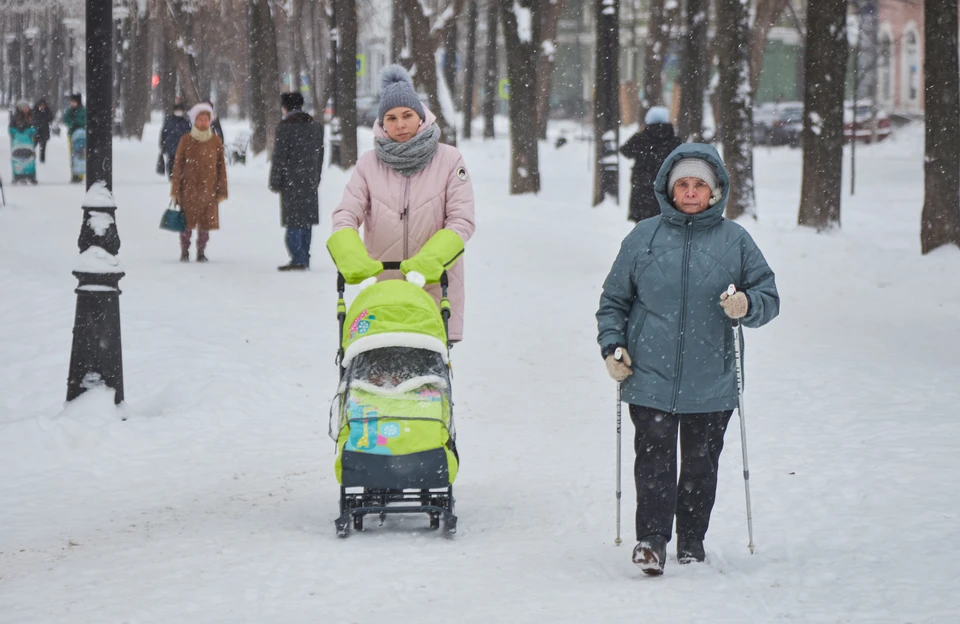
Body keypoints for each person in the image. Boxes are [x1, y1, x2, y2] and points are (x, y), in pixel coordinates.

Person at [596, 143, 780, 576]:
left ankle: (692, 541)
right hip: (649, 372)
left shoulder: (736, 241)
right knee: (654, 460)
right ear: (669, 188)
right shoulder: (644, 236)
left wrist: (747, 305)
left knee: (700, 463)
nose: (692, 192)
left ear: (715, 191)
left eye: (700, 184)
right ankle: (652, 541)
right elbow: (613, 301)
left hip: (711, 376)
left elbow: (769, 297)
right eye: (684, 184)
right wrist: (612, 346)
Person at [327, 64, 475, 342]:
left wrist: (431, 259)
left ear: (421, 117)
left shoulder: (449, 160)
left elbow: (461, 219)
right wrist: (350, 253)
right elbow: (346, 212)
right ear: (382, 123)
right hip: (383, 288)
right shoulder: (368, 165)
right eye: (391, 118)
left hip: (433, 283)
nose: (400, 124)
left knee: (428, 377)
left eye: (407, 115)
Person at [269, 92, 324, 271]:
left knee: (293, 221)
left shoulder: (285, 127)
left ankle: (297, 258)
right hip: (309, 180)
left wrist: (275, 181)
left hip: (290, 180)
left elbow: (279, 157)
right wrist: (316, 176)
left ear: (285, 107)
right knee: (306, 220)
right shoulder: (315, 126)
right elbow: (320, 154)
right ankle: (305, 257)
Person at [170, 103, 228, 263]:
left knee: (205, 223)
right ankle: (185, 249)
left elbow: (221, 166)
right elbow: (178, 166)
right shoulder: (186, 139)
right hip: (188, 189)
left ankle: (201, 250)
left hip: (209, 189)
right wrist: (175, 189)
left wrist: (221, 189)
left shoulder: (215, 141)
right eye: (200, 119)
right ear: (194, 120)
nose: (203, 123)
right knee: (187, 223)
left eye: (206, 119)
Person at [619, 106, 681, 223]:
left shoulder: (641, 138)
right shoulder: (674, 140)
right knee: (664, 225)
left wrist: (640, 132)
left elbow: (625, 150)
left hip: (642, 188)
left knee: (643, 225)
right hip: (666, 189)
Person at [159, 102, 191, 178]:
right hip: (171, 146)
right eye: (177, 110)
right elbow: (164, 133)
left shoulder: (186, 122)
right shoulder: (169, 121)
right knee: (171, 162)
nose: (179, 112)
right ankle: (172, 176)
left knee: (182, 162)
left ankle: (180, 176)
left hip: (182, 147)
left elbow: (188, 134)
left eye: (180, 110)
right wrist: (162, 144)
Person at [9, 102, 37, 184]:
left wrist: (31, 131)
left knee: (30, 157)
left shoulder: (31, 116)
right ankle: (17, 174)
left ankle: (30, 174)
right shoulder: (16, 117)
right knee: (18, 156)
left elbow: (34, 128)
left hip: (27, 142)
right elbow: (11, 128)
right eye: (25, 107)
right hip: (18, 142)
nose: (27, 109)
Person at [63, 94, 86, 183]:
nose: (72, 103)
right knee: (73, 154)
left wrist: (76, 123)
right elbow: (66, 120)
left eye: (74, 101)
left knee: (81, 153)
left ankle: (80, 174)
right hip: (72, 135)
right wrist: (73, 124)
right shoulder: (70, 111)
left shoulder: (82, 111)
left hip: (81, 135)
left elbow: (84, 121)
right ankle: (74, 174)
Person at [31, 99, 54, 164]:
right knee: (32, 146)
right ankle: (32, 157)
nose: (42, 107)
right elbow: (33, 119)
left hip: (44, 132)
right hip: (36, 132)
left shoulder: (47, 111)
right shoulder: (35, 111)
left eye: (43, 105)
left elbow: (51, 118)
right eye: (40, 105)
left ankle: (42, 160)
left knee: (43, 148)